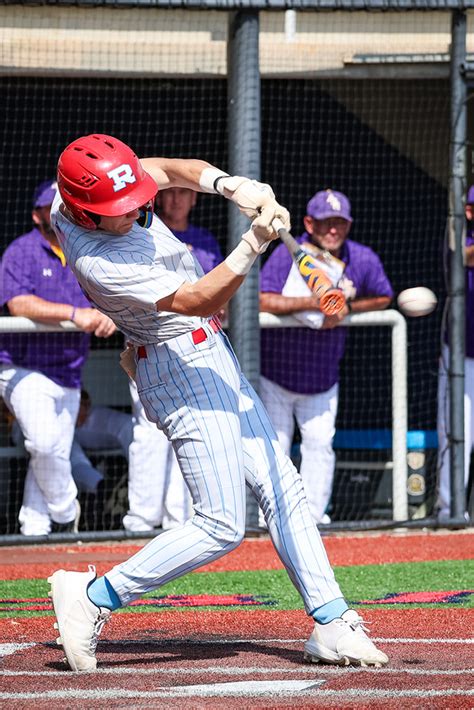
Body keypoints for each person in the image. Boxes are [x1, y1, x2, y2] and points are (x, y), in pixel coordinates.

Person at [47, 133, 388, 672]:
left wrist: (232, 186)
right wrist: (253, 242)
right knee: (221, 524)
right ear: (84, 215)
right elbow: (198, 299)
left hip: (204, 354)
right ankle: (92, 598)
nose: (137, 208)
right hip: (179, 365)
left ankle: (331, 621)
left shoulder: (97, 193)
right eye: (120, 208)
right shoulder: (98, 260)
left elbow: (169, 169)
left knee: (284, 483)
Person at [259, 189, 393, 525]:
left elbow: (383, 296)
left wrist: (348, 306)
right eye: (325, 223)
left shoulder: (360, 257)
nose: (333, 231)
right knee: (274, 448)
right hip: (277, 372)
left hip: (323, 376)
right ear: (308, 223)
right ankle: (269, 519)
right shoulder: (289, 251)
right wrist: (311, 302)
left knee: (320, 445)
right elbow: (261, 299)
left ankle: (312, 518)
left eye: (339, 224)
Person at [0, 179, 116, 535]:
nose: (59, 213)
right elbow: (18, 304)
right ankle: (67, 511)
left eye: (64, 207)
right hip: (22, 368)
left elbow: (106, 300)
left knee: (51, 457)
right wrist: (73, 313)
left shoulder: (86, 252)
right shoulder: (22, 250)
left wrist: (111, 312)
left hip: (69, 372)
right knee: (44, 442)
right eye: (52, 207)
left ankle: (35, 532)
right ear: (38, 216)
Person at [123, 187, 223, 532]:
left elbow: (218, 291)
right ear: (159, 199)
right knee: (148, 431)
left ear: (194, 200)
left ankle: (179, 519)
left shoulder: (204, 240)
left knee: (193, 427)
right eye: (172, 193)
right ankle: (141, 519)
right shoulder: (141, 232)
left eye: (185, 194)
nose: (178, 200)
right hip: (150, 341)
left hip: (194, 346)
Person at [436, 185, 474, 522]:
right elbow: (463, 256)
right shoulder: (458, 240)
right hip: (462, 356)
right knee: (458, 432)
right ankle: (451, 512)